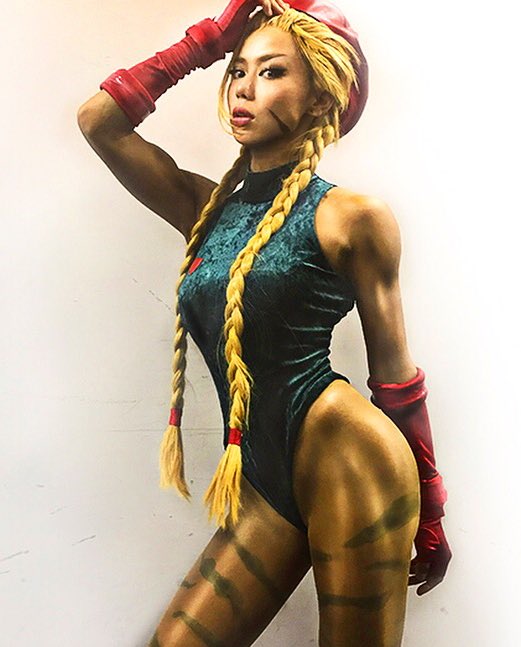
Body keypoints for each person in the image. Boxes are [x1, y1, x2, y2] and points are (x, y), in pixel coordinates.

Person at [77, 1, 452, 645]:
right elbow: (99, 123)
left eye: (272, 71)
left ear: (319, 99)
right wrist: (206, 42)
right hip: (259, 480)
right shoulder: (206, 210)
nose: (244, 88)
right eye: (238, 70)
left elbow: (395, 376)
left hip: (350, 458)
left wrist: (431, 506)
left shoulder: (351, 217)